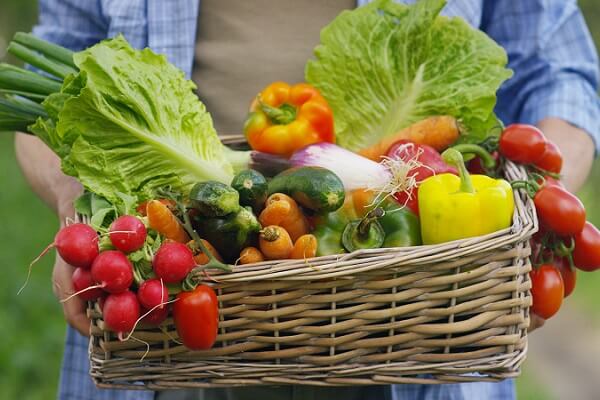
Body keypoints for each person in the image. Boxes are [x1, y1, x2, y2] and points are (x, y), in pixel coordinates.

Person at [15, 0, 599, 399]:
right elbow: (51, 92)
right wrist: (81, 217)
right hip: (163, 306)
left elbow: (561, 69)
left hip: (420, 331)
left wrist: (541, 211)